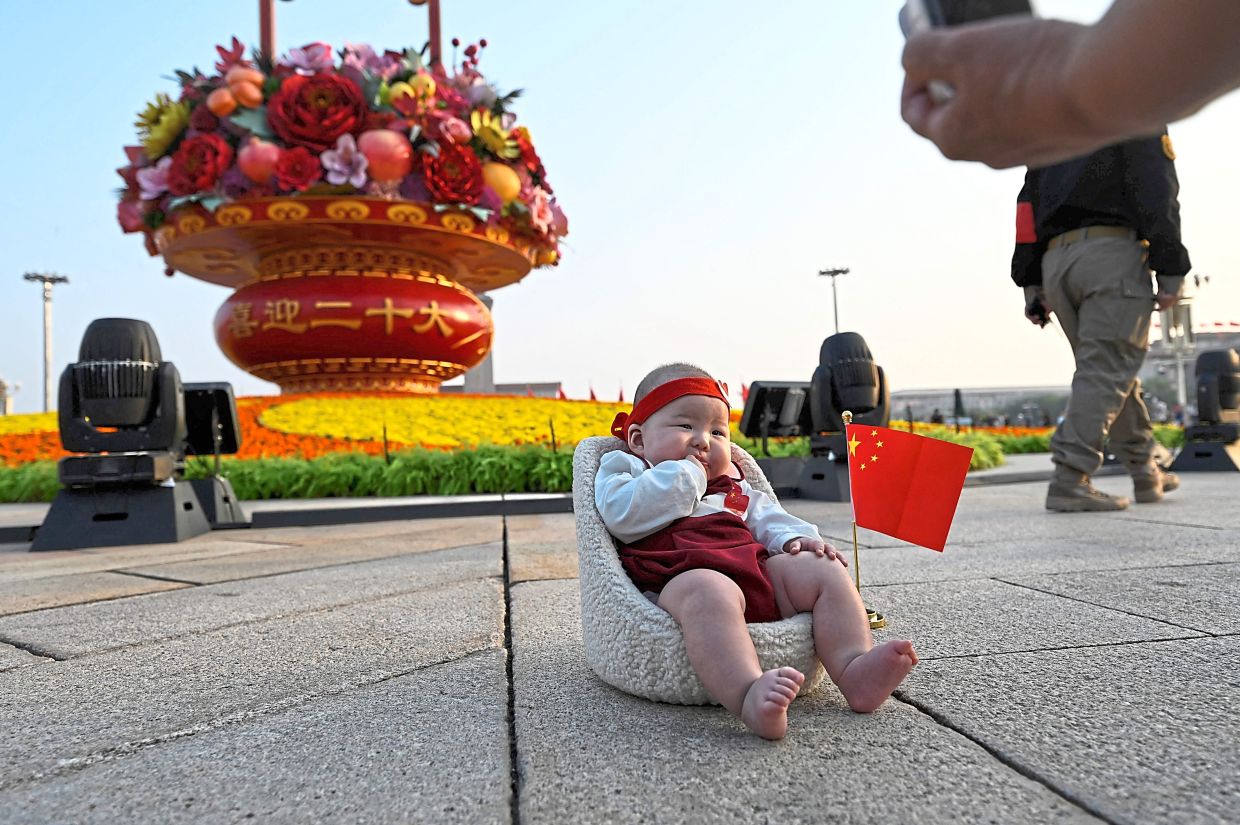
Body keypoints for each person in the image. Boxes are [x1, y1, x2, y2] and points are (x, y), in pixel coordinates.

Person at [594, 363, 918, 739]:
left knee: (823, 569)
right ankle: (748, 693)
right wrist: (689, 474)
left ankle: (853, 668)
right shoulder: (627, 468)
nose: (703, 441)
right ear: (638, 438)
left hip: (755, 575)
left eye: (717, 432)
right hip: (680, 578)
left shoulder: (734, 486)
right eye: (685, 427)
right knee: (710, 592)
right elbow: (623, 515)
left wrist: (798, 540)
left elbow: (771, 519)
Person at [1013, 133, 1188, 511]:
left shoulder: (1051, 125)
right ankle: (1069, 478)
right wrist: (1171, 267)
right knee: (1107, 370)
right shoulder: (1133, 110)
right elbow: (1157, 189)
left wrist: (1030, 280)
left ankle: (1145, 470)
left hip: (1057, 265)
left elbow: (1027, 208)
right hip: (1112, 255)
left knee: (1108, 371)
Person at [901, 0, 1240, 169]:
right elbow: (1151, 179)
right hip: (1105, 252)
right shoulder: (1127, 125)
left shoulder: (1038, 129)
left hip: (1064, 261)